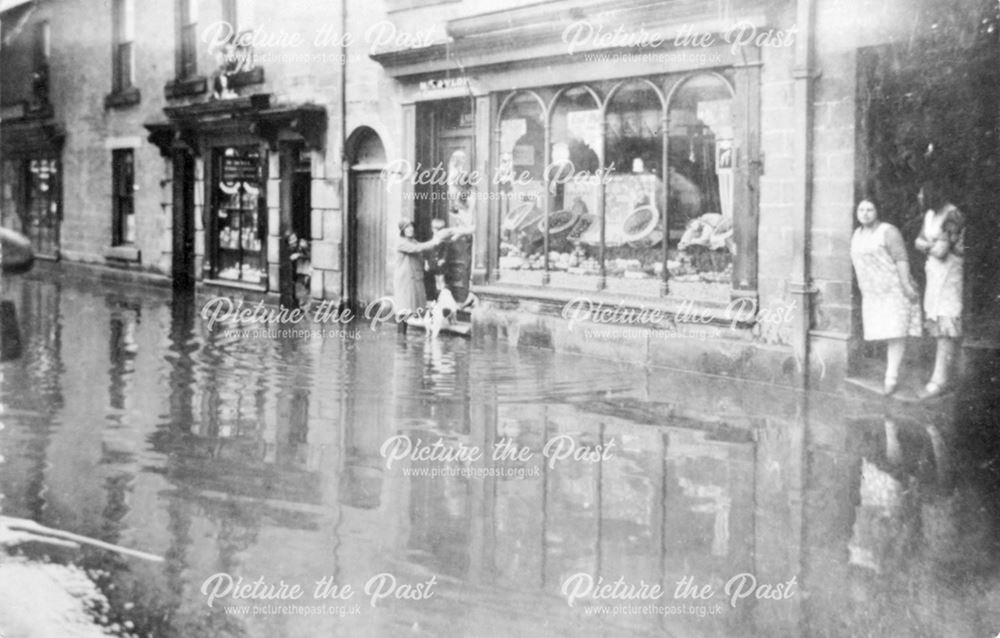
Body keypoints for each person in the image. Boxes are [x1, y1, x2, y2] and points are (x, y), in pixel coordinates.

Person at [850, 198, 922, 395]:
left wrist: (906, 284)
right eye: (861, 209)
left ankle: (891, 376)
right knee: (881, 329)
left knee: (895, 331)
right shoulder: (857, 234)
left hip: (894, 289)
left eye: (870, 209)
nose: (865, 213)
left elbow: (901, 258)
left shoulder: (888, 231)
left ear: (877, 212)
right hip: (873, 292)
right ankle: (888, 372)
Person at [914, 181, 965, 398]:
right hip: (934, 274)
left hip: (950, 274)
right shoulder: (929, 215)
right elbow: (917, 241)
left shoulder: (952, 214)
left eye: (922, 193)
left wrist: (927, 245)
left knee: (947, 321)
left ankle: (940, 380)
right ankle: (940, 376)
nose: (919, 197)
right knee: (936, 319)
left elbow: (942, 250)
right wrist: (929, 245)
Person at [394, 220, 448, 333]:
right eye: (407, 228)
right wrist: (434, 241)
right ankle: (401, 340)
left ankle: (404, 339)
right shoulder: (401, 242)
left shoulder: (413, 241)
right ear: (403, 230)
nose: (411, 229)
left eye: (411, 227)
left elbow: (420, 250)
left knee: (413, 306)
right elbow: (418, 248)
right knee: (404, 308)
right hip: (406, 279)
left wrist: (425, 261)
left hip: (415, 277)